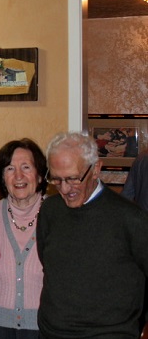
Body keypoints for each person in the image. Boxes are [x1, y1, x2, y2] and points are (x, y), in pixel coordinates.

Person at [37, 132, 148, 338]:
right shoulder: (50, 210)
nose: (64, 188)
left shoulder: (131, 218)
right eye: (56, 179)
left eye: (72, 178)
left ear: (96, 169)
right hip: (51, 333)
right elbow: (48, 262)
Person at [0, 139, 47, 338]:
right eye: (10, 168)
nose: (18, 176)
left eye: (26, 167)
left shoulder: (58, 216)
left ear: (40, 174)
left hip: (44, 325)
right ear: (2, 177)